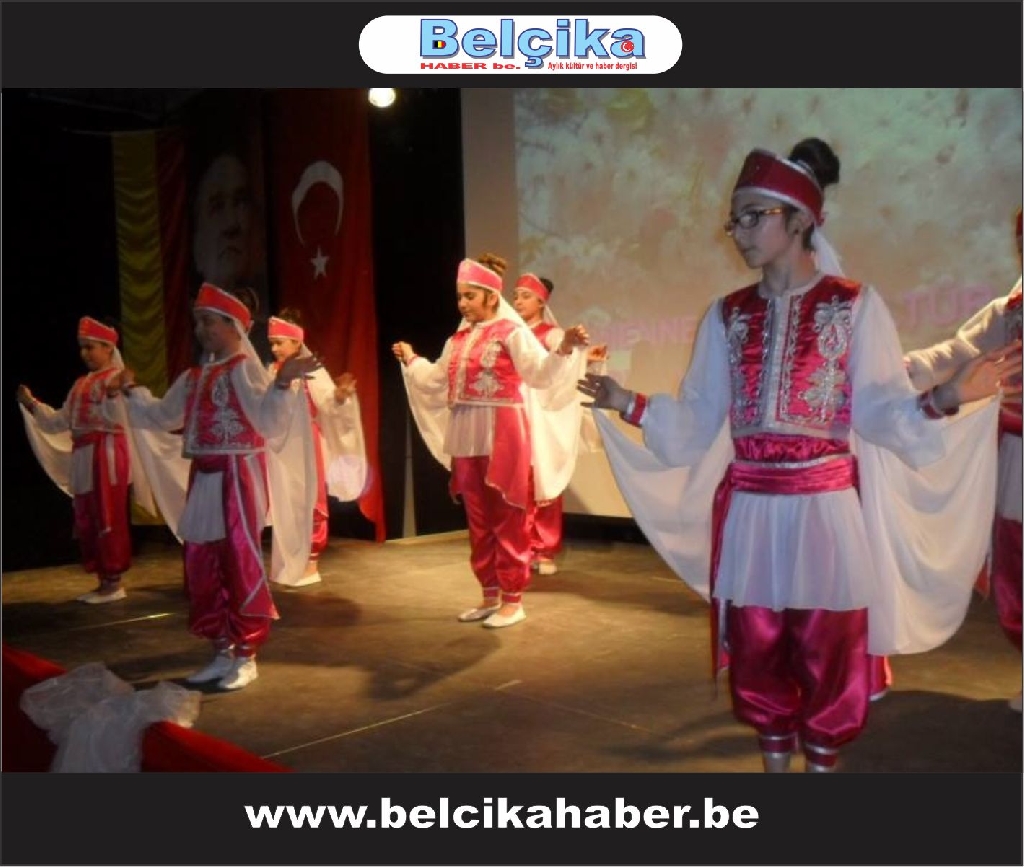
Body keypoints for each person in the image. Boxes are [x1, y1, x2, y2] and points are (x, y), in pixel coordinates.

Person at [578, 138, 1020, 772]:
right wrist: (628, 401)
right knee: (758, 648)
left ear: (800, 219)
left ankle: (819, 768)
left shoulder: (854, 305)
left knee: (827, 647)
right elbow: (699, 417)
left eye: (753, 216)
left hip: (825, 510)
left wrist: (949, 394)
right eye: (735, 220)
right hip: (752, 510)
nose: (739, 232)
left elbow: (881, 411)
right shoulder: (727, 314)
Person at [107, 283, 319, 691]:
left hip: (238, 474)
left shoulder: (243, 369)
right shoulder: (194, 376)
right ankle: (222, 648)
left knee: (238, 561)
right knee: (202, 562)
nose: (202, 330)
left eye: (210, 322)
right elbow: (163, 415)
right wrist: (132, 391)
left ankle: (247, 653)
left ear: (235, 327)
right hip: (204, 475)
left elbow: (268, 420)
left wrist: (281, 385)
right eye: (198, 322)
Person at [393, 254, 589, 629]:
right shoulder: (457, 340)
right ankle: (489, 595)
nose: (463, 303)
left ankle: (513, 600)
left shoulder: (511, 332)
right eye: (460, 297)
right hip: (466, 434)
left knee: (507, 517)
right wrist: (412, 358)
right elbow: (435, 379)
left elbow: (540, 373)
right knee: (479, 522)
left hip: (502, 433)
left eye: (470, 296)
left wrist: (563, 346)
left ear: (490, 296)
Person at [904, 207, 1023, 712]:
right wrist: (905, 369)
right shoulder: (1007, 312)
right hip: (1017, 458)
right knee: (1016, 568)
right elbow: (957, 352)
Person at [17, 317, 159, 604]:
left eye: (91, 347)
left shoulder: (117, 379)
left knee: (108, 515)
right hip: (84, 453)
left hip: (107, 452)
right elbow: (60, 421)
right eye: (82, 347)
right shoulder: (81, 383)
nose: (85, 353)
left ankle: (114, 582)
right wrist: (32, 404)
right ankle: (103, 580)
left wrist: (114, 393)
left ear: (108, 348)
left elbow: (119, 419)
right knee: (87, 515)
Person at [511, 273, 608, 575]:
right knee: (516, 483)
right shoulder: (512, 334)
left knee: (543, 480)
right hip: (514, 413)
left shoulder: (551, 334)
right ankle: (519, 547)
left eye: (525, 296)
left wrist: (585, 358)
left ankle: (543, 549)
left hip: (542, 416)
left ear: (541, 302)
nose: (518, 302)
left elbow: (564, 364)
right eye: (515, 296)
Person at [267, 308, 368, 587]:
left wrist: (340, 396)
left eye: (279, 343)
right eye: (272, 343)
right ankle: (289, 559)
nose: (274, 349)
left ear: (296, 342)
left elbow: (327, 403)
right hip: (280, 445)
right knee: (286, 502)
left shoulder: (311, 370)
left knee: (310, 502)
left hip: (306, 443)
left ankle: (310, 562)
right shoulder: (272, 372)